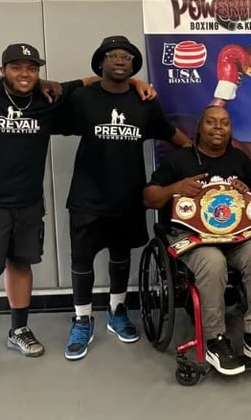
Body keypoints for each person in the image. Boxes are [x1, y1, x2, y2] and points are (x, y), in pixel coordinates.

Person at [0, 43, 156, 386]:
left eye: (31, 68)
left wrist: (133, 82)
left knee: (20, 264)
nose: (24, 74)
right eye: (16, 67)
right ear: (2, 70)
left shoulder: (47, 98)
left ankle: (19, 330)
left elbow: (95, 81)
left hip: (26, 201)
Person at [57, 36, 190, 361]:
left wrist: (195, 152)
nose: (120, 61)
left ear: (133, 66)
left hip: (128, 195)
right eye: (113, 56)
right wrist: (85, 81)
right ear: (100, 62)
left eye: (127, 57)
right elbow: (54, 103)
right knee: (82, 260)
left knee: (120, 256)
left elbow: (169, 133)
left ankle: (117, 311)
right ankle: (82, 318)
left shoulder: (145, 101)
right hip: (87, 198)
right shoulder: (84, 98)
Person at [144, 105, 251, 375]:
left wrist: (248, 190)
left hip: (234, 236)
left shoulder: (238, 158)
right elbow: (149, 198)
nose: (218, 127)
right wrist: (176, 188)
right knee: (212, 261)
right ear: (199, 127)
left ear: (230, 129)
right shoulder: (180, 160)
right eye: (211, 122)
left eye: (225, 123)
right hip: (192, 237)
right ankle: (215, 339)